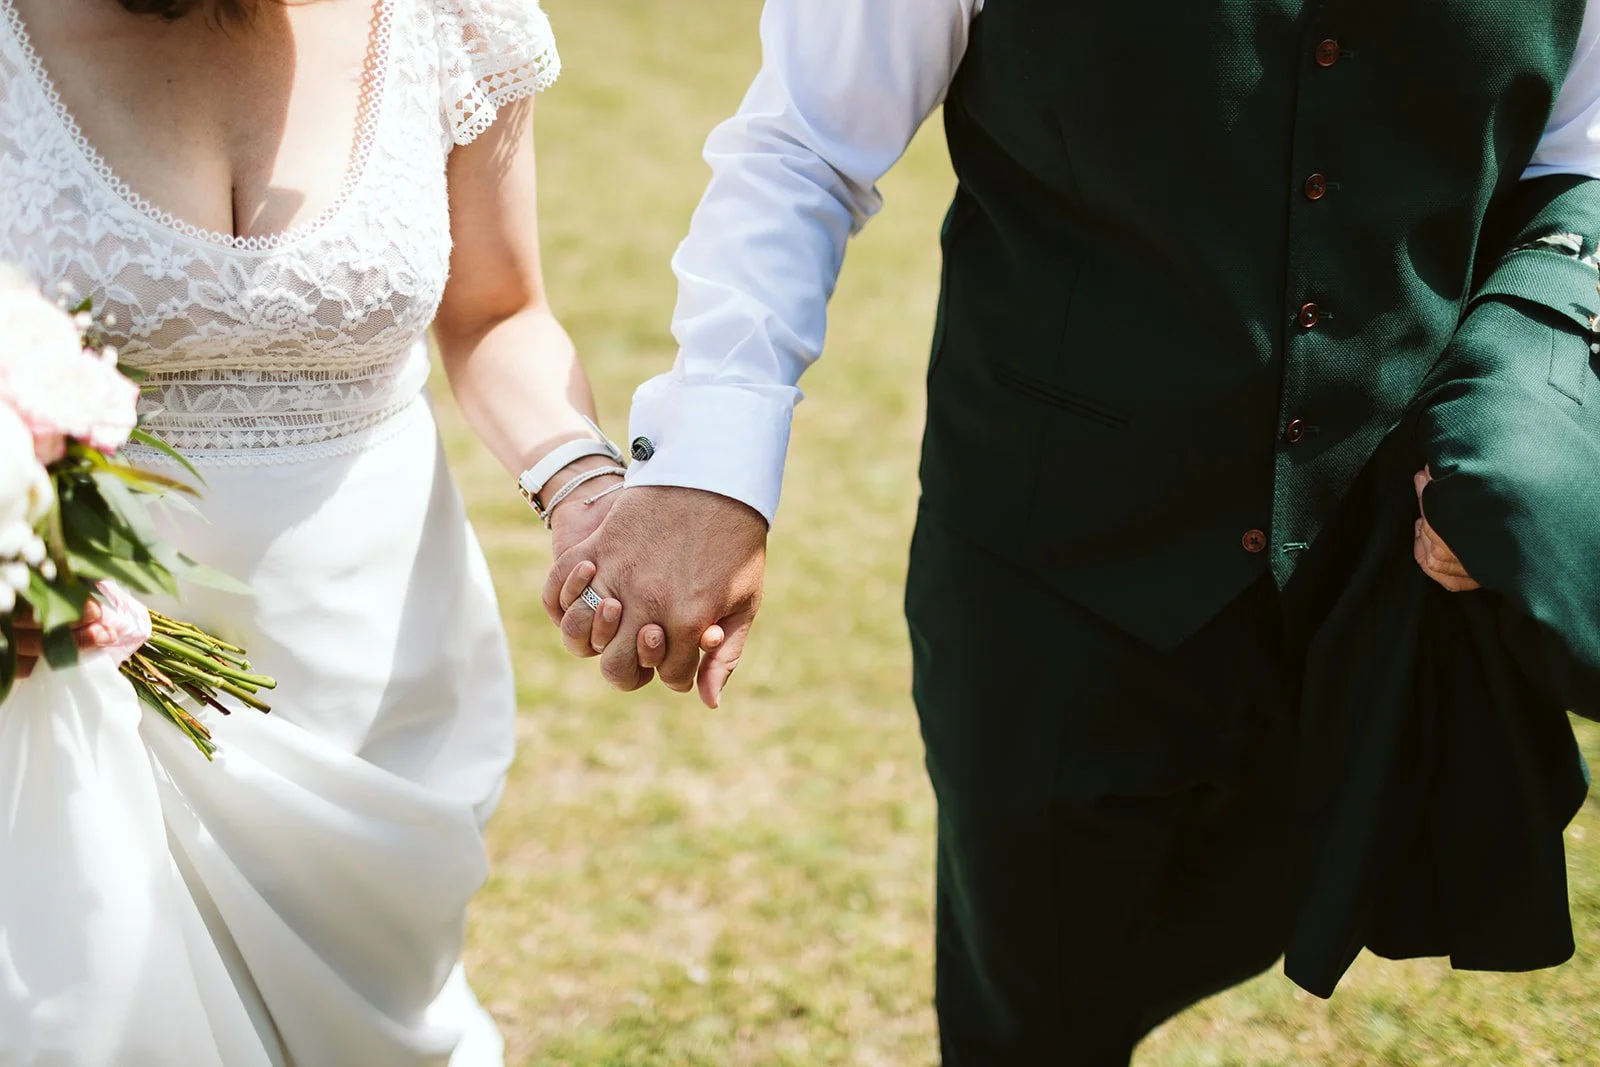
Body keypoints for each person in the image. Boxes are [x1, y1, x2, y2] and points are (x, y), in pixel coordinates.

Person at [545, 1, 1600, 1062]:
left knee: (1320, 876)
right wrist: (712, 466)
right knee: (1032, 1009)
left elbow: (1579, 163)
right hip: (1052, 574)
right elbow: (804, 144)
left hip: (1386, 571)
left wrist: (1513, 415)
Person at [0, 0, 626, 1062]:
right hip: (64, 686)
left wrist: (585, 487)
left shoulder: (449, 17)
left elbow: (497, 311)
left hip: (378, 691)